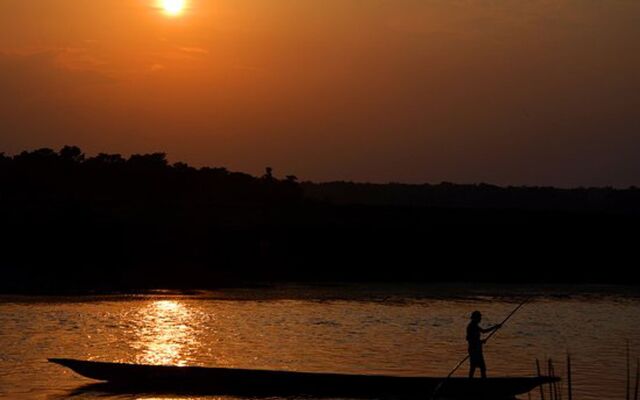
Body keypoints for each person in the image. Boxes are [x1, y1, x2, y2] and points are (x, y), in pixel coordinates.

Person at [466, 311, 502, 378]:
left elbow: (484, 331)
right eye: (479, 317)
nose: (480, 319)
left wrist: (495, 327)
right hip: (474, 350)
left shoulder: (475, 326)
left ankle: (478, 381)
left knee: (479, 367)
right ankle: (479, 382)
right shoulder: (471, 326)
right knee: (478, 367)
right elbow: (470, 339)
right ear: (475, 318)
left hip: (477, 349)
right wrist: (480, 342)